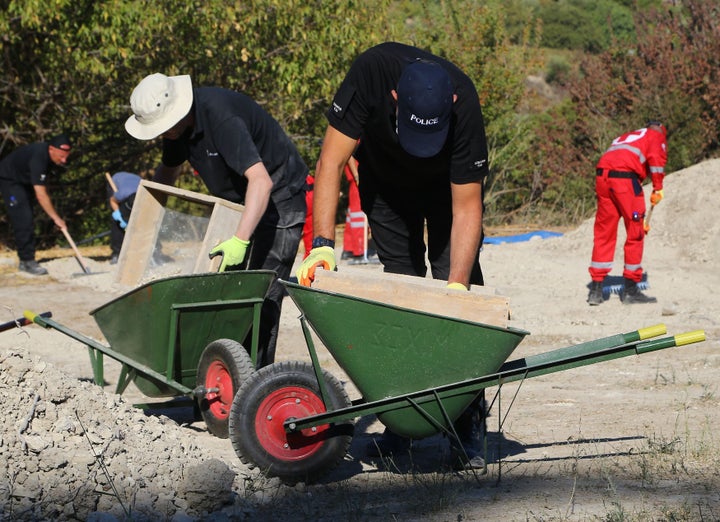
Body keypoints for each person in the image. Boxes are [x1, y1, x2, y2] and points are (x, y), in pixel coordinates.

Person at [296, 42, 489, 470]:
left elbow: (467, 208)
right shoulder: (371, 74)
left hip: (446, 193)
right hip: (385, 185)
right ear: (395, 99)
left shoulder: (465, 101)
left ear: (451, 105)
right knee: (399, 291)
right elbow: (330, 162)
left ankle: (467, 418)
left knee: (457, 293)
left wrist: (457, 288)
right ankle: (404, 419)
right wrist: (322, 245)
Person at [125, 73, 308, 368]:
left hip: (280, 197)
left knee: (261, 293)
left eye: (163, 128)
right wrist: (145, 219)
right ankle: (225, 371)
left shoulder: (221, 118)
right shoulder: (176, 129)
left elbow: (261, 182)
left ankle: (253, 381)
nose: (162, 134)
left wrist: (239, 240)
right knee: (227, 290)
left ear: (177, 110)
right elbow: (167, 175)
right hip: (238, 203)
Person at [587, 120, 667, 305]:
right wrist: (658, 187)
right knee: (636, 232)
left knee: (604, 232)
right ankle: (630, 290)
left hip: (603, 179)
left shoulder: (626, 137)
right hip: (625, 183)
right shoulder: (656, 135)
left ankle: (596, 291)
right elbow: (657, 161)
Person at [0, 134, 72, 275]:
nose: (64, 160)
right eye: (61, 156)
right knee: (23, 217)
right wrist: (56, 218)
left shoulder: (49, 157)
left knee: (28, 215)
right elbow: (41, 194)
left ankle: (26, 259)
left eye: (66, 157)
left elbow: (43, 185)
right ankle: (27, 261)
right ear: (51, 149)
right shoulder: (39, 158)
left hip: (24, 181)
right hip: (10, 180)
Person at [107, 171, 142, 264]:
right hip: (116, 180)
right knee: (116, 223)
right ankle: (116, 253)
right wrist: (118, 216)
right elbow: (113, 201)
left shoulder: (146, 195)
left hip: (135, 180)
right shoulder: (122, 194)